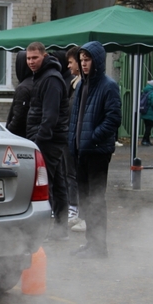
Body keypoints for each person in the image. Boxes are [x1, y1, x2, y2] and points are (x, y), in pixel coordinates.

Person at [68, 41, 122, 259]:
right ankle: (91, 243)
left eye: (87, 59)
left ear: (97, 61)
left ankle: (99, 247)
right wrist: (74, 141)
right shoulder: (82, 85)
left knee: (96, 199)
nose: (83, 64)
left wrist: (93, 137)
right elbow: (75, 117)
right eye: (81, 60)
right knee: (86, 199)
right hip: (81, 151)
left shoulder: (108, 86)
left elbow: (114, 118)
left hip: (98, 152)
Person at [24, 42, 69, 242]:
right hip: (51, 139)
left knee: (46, 185)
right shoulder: (43, 77)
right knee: (58, 184)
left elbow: (49, 116)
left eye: (35, 58)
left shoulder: (51, 79)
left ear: (44, 56)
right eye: (28, 58)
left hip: (48, 141)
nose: (31, 62)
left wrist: (38, 142)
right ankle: (60, 229)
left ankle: (46, 231)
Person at [65, 46, 83, 230]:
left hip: (77, 138)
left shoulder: (82, 85)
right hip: (70, 135)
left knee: (74, 175)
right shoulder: (74, 83)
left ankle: (76, 210)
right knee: (69, 174)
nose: (69, 66)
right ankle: (73, 208)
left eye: (71, 62)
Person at [5, 51, 32, 138]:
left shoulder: (23, 88)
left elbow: (18, 117)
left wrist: (8, 132)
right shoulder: (37, 82)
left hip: (20, 137)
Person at [140, 80, 153, 146]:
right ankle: (145, 140)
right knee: (149, 127)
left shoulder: (145, 91)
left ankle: (147, 140)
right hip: (150, 113)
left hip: (144, 111)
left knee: (147, 127)